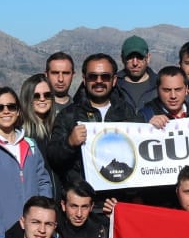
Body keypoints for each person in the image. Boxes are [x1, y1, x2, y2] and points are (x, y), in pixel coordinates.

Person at [46, 53, 145, 195]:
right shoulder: (68, 115)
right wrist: (69, 143)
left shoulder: (127, 113)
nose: (99, 81)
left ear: (114, 80)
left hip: (119, 200)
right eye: (93, 76)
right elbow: (53, 158)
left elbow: (140, 154)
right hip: (82, 203)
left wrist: (152, 126)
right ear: (84, 80)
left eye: (105, 76)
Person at [0, 85, 54, 238]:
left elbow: (44, 182)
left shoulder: (30, 145)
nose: (6, 111)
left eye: (11, 106)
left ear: (18, 111)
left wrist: (42, 220)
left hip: (34, 235)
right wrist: (1, 237)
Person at [116, 35, 158, 110]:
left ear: (148, 58)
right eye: (130, 57)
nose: (135, 63)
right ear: (122, 59)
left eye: (139, 57)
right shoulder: (114, 86)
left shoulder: (159, 84)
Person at [20, 73, 59, 144]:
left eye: (47, 95)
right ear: (27, 99)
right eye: (36, 96)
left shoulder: (56, 128)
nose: (42, 99)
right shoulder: (22, 133)